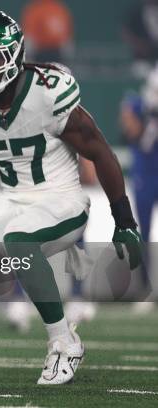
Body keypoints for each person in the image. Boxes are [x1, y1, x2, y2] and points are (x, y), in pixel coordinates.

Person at [0, 10, 142, 385]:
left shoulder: (48, 91)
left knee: (19, 240)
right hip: (12, 200)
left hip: (61, 198)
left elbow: (100, 151)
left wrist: (125, 221)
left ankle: (64, 342)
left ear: (16, 53)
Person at [120, 68, 158, 308]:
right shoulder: (135, 104)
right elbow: (131, 131)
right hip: (145, 174)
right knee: (142, 231)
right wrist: (148, 114)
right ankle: (145, 288)